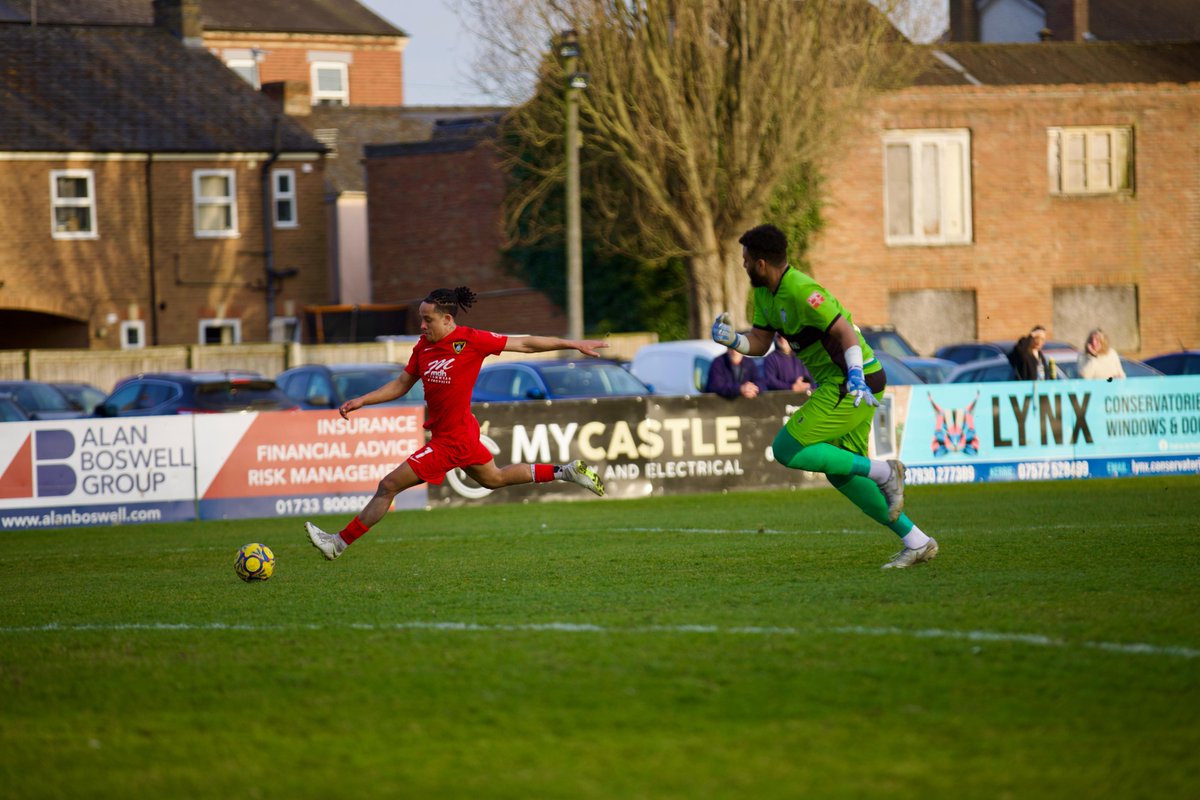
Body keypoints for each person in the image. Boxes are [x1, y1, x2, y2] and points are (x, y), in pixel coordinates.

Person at [305, 286, 607, 561]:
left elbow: (525, 344)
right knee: (494, 478)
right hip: (457, 433)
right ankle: (563, 471)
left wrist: (571, 343)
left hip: (452, 440)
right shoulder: (422, 348)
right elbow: (400, 384)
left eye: (427, 320)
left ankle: (338, 543)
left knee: (388, 486)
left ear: (447, 319)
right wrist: (362, 400)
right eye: (421, 320)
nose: (422, 326)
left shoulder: (472, 340)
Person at [712, 224, 937, 569]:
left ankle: (885, 471)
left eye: (744, 260)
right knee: (844, 473)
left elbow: (844, 331)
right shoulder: (764, 295)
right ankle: (917, 541)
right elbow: (760, 342)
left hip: (850, 381)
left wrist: (857, 376)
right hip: (842, 382)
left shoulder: (802, 290)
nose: (741, 266)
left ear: (760, 263)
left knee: (787, 448)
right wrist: (733, 341)